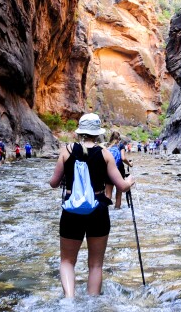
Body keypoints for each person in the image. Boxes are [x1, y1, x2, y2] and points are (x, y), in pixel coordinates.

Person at [48, 113, 133, 298]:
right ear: (98, 133)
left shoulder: (66, 151)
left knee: (67, 261)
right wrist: (131, 180)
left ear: (80, 132)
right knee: (95, 264)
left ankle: (69, 301)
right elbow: (122, 186)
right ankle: (93, 302)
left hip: (71, 211)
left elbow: (53, 183)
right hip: (98, 210)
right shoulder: (105, 154)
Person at [106, 132, 132, 210]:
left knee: (108, 194)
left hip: (108, 171)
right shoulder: (120, 145)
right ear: (119, 138)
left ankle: (105, 211)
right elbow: (123, 158)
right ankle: (117, 209)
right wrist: (130, 164)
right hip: (119, 171)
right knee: (119, 193)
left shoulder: (107, 147)